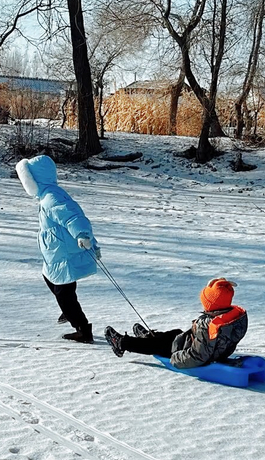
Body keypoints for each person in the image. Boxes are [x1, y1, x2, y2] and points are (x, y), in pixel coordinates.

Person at [16, 154, 100, 344]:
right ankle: (69, 311)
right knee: (51, 278)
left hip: (63, 253)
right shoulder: (47, 195)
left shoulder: (50, 198)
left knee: (64, 292)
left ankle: (82, 329)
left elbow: (73, 217)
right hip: (57, 253)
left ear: (35, 179)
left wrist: (83, 235)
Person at [104, 278, 247, 368]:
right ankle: (149, 336)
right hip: (202, 346)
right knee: (175, 333)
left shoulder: (209, 327)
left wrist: (176, 358)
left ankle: (122, 343)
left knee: (156, 345)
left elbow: (198, 356)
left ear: (210, 305)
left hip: (184, 351)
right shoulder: (233, 317)